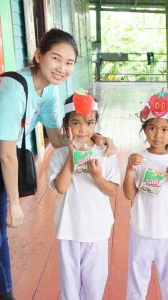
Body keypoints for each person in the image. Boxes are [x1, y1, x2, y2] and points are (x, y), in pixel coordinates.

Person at [0, 29, 115, 300]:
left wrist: (96, 137)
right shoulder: (14, 90)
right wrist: (15, 203)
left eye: (69, 63)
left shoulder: (48, 91)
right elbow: (8, 154)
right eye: (56, 59)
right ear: (39, 55)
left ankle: (7, 295)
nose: (62, 68)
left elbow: (58, 138)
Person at [123, 91, 168, 300]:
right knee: (136, 281)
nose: (158, 134)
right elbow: (129, 195)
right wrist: (128, 170)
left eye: (164, 129)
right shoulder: (138, 159)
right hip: (142, 230)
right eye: (152, 128)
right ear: (144, 129)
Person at [49, 92, 120, 300]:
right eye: (76, 123)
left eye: (89, 123)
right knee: (69, 285)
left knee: (95, 282)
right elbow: (61, 187)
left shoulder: (105, 153)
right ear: (66, 125)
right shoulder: (60, 155)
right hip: (69, 227)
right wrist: (72, 157)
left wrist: (97, 177)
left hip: (97, 228)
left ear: (96, 123)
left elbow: (112, 190)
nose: (82, 129)